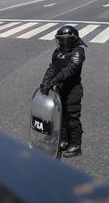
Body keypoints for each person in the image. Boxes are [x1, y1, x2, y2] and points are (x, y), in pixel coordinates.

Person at [39, 25, 87, 158]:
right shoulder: (58, 52)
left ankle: (76, 145)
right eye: (60, 40)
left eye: (64, 40)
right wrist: (45, 82)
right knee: (61, 116)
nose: (62, 43)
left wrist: (54, 81)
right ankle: (64, 140)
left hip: (73, 90)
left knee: (72, 117)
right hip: (60, 88)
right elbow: (52, 68)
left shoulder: (78, 52)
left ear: (73, 39)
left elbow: (71, 70)